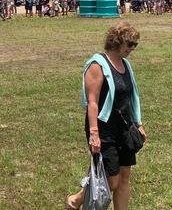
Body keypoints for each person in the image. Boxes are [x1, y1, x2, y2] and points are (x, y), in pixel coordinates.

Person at [67, 21, 147, 210]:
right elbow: (92, 102)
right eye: (130, 44)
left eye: (135, 45)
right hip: (104, 129)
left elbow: (131, 95)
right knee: (111, 181)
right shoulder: (97, 65)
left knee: (124, 177)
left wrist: (138, 123)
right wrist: (94, 133)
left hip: (125, 128)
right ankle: (77, 199)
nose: (132, 49)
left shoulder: (126, 64)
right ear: (117, 41)